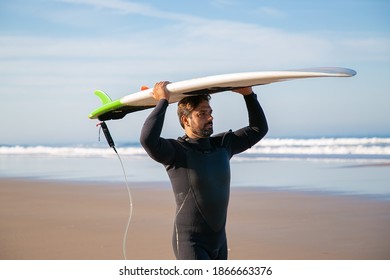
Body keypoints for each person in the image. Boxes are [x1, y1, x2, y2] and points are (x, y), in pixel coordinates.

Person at [140, 81, 268, 260]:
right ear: (186, 120)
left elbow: (258, 128)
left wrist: (248, 95)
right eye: (202, 114)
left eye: (210, 113)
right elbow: (148, 140)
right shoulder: (176, 152)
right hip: (190, 243)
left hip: (220, 242)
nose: (210, 118)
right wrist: (162, 101)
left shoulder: (223, 145)